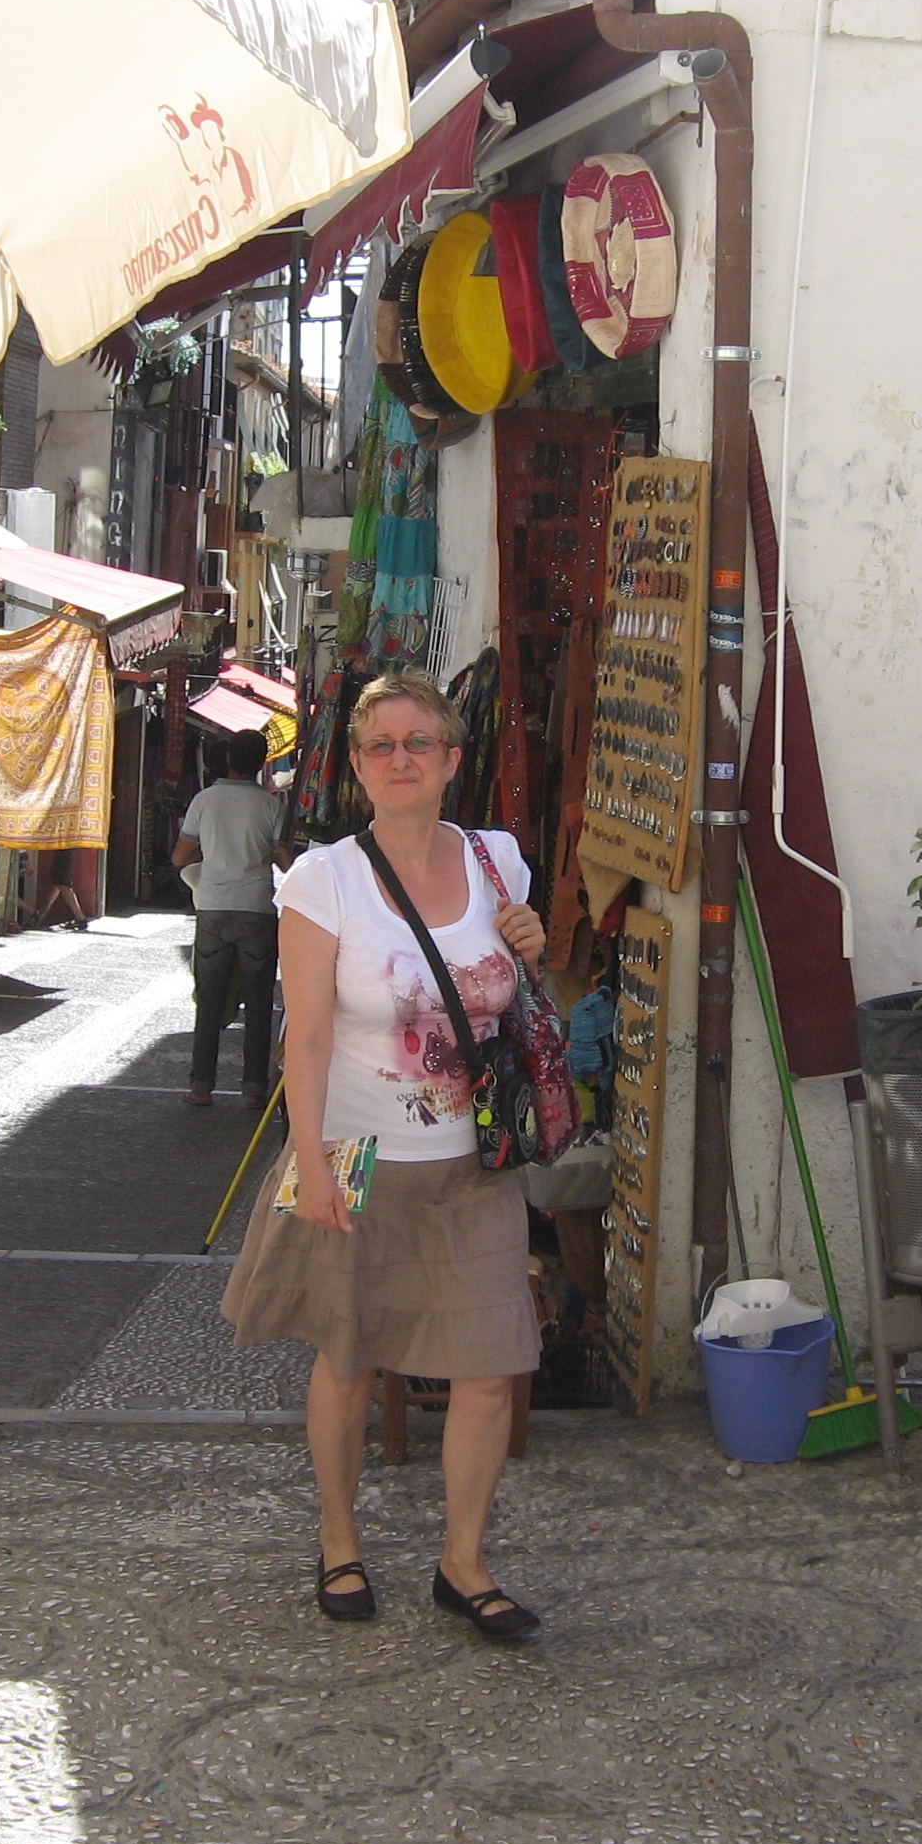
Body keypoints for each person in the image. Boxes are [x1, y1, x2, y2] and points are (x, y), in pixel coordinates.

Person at [220, 671, 551, 1638]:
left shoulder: (499, 863)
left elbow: (514, 999)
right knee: (348, 1356)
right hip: (351, 1151)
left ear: (452, 760)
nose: (401, 760)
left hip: (474, 1160)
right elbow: (308, 1038)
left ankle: (464, 1563)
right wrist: (311, 1164)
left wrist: (532, 945)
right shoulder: (322, 880)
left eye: (420, 743)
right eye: (381, 746)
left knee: (489, 1369)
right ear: (358, 766)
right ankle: (339, 1541)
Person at [173, 732, 292, 1107]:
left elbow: (179, 857)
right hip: (257, 909)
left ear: (227, 759)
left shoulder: (204, 800)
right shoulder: (272, 806)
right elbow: (286, 862)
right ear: (262, 761)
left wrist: (212, 856)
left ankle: (201, 1086)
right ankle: (254, 1089)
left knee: (209, 1002)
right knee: (259, 1004)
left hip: (213, 906)